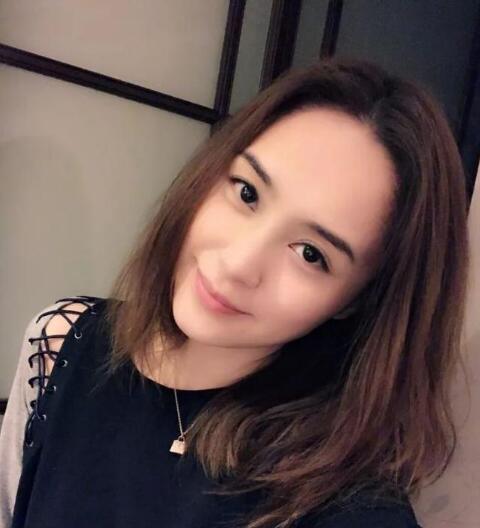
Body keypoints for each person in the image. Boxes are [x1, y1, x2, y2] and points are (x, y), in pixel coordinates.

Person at [0, 56, 469, 528]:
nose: (239, 262)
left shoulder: (345, 504)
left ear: (356, 301)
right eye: (247, 193)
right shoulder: (59, 343)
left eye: (310, 253)